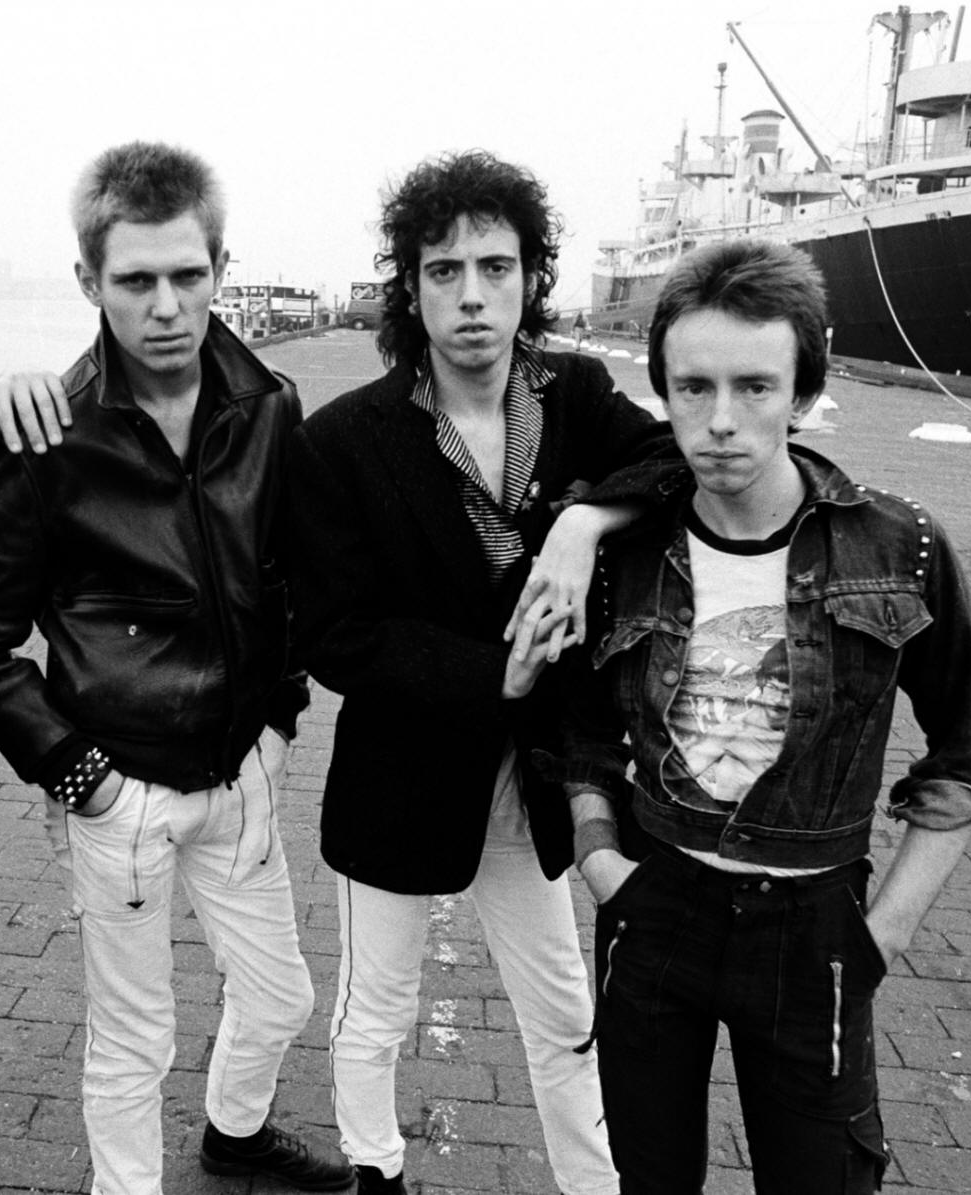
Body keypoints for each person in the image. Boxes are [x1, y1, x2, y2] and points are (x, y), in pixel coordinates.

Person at [558, 238, 971, 1193]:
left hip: (815, 932)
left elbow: (966, 756)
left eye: (755, 387)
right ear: (663, 392)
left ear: (804, 390)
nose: (721, 420)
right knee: (646, 1178)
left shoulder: (900, 544)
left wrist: (880, 936)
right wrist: (604, 864)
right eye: (694, 387)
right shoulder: (627, 554)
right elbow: (584, 731)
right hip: (656, 908)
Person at [0, 141, 352, 1195]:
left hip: (242, 769)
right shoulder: (49, 435)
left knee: (282, 995)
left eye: (188, 274)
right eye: (136, 280)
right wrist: (78, 774)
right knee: (135, 1038)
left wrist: (281, 714)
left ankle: (234, 1132)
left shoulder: (269, 406)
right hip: (118, 789)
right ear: (89, 280)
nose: (167, 306)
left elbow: (284, 579)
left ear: (221, 267)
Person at [285, 149, 660, 1195]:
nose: (472, 296)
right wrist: (496, 674)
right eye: (443, 270)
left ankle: (594, 1184)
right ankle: (375, 1172)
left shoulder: (576, 394)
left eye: (496, 267)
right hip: (402, 774)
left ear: (531, 277)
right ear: (410, 288)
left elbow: (673, 461)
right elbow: (335, 634)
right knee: (376, 1005)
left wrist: (585, 521)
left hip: (533, 776)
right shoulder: (344, 439)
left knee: (565, 1010)